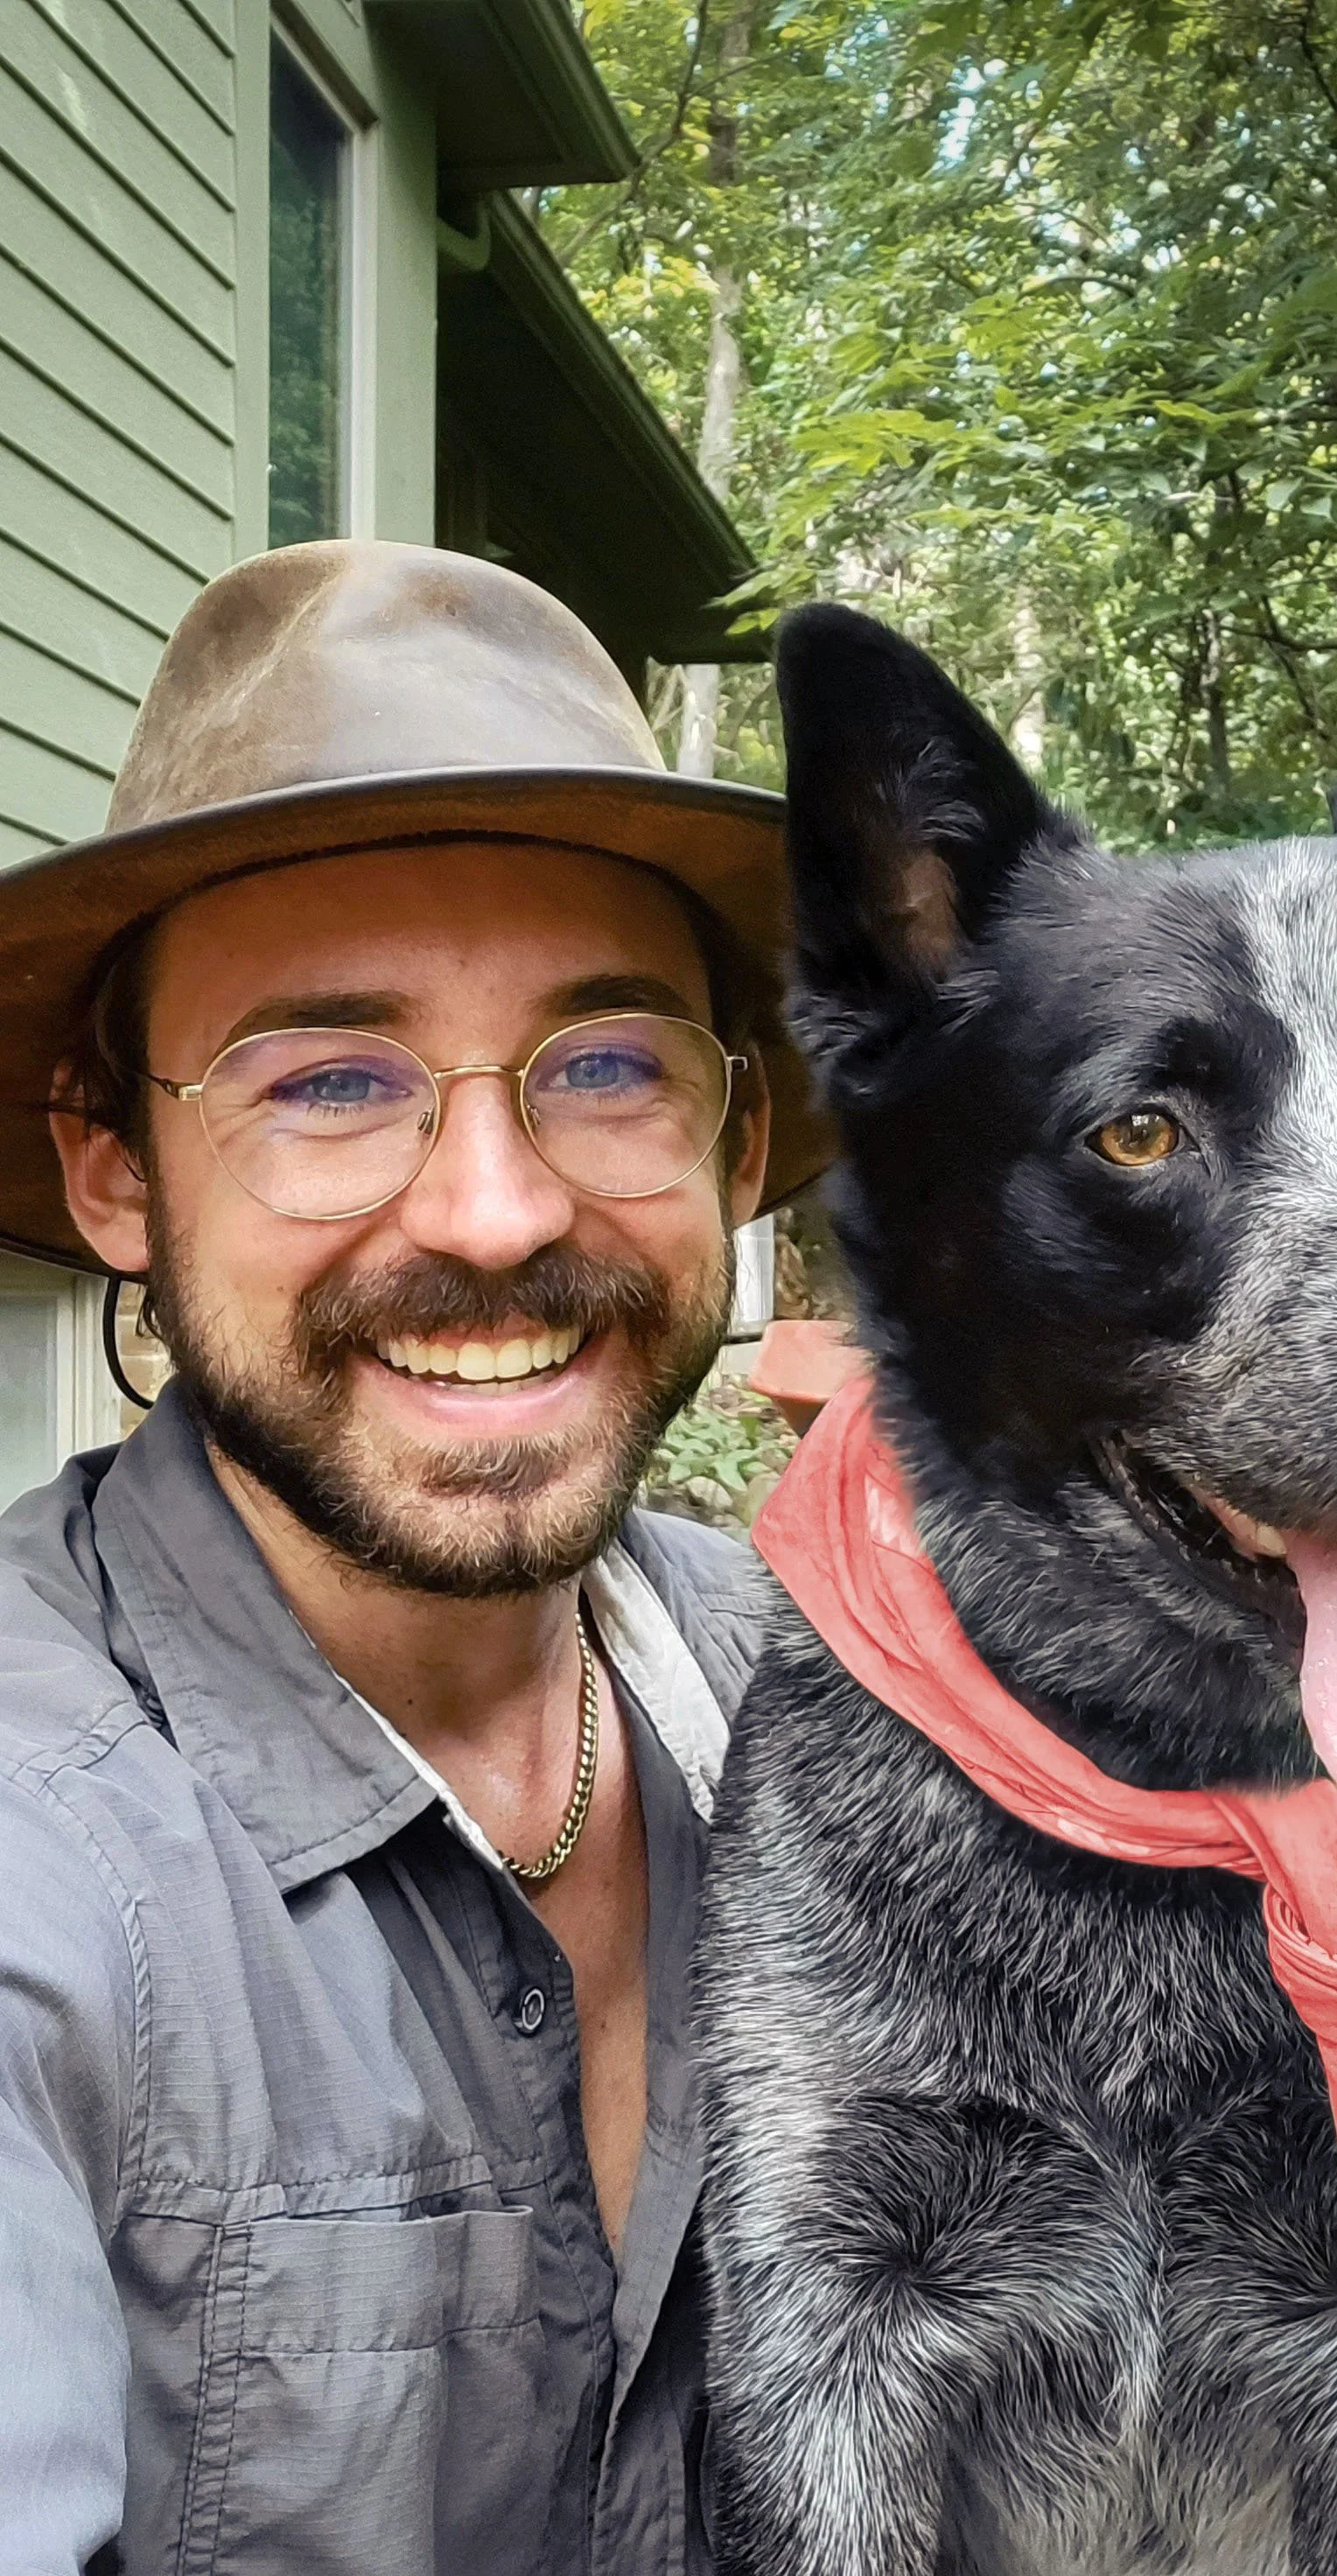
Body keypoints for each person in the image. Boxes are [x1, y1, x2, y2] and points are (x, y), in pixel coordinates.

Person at [0, 541, 828, 2575]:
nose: (485, 1207)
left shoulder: (820, 1696)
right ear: (120, 1165)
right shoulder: (42, 1863)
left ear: (731, 1153)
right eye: (330, 1079)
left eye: (608, 1062)